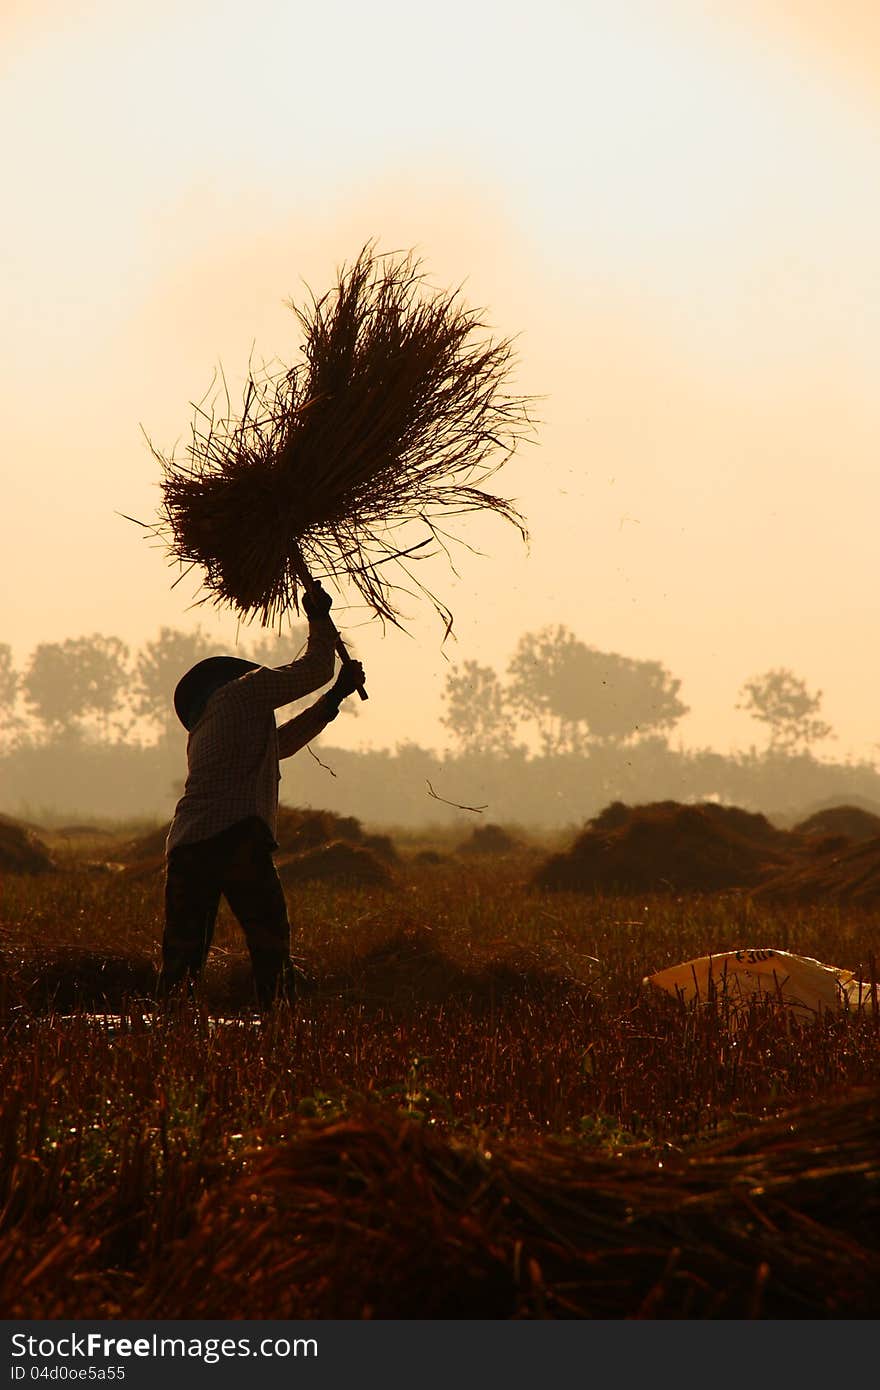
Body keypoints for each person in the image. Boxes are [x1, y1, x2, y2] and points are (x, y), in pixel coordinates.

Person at [158, 581, 365, 1008]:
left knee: (182, 958)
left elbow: (281, 745)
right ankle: (278, 1027)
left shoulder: (207, 728)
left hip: (188, 848)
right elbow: (313, 669)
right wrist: (318, 616)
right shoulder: (243, 693)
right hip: (234, 838)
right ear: (230, 679)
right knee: (271, 944)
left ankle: (168, 1033)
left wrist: (334, 699)